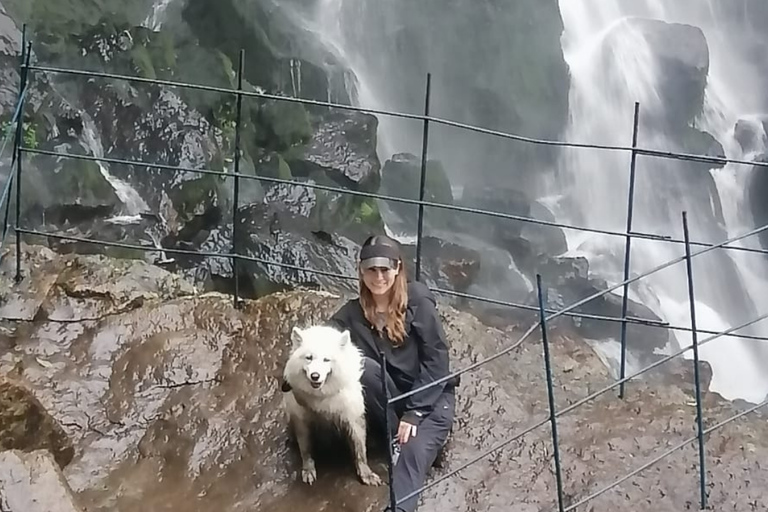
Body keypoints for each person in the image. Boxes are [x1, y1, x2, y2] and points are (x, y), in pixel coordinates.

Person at [328, 234, 458, 512]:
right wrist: (293, 372)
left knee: (412, 452)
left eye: (384, 269)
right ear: (361, 271)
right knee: (363, 367)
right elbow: (323, 342)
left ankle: (398, 507)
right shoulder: (352, 314)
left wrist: (415, 413)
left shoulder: (419, 303)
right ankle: (392, 437)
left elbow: (437, 360)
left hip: (431, 398)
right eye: (371, 270)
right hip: (388, 398)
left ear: (397, 268)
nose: (378, 277)